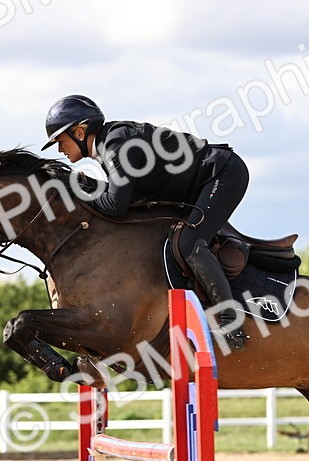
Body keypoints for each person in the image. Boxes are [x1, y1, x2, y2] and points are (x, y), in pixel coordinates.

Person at [41, 95, 249, 351]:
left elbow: (116, 206)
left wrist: (78, 190)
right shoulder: (108, 145)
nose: (60, 150)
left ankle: (232, 323)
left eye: (60, 141)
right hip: (193, 188)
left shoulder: (115, 143)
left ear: (80, 132)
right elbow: (123, 199)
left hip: (222, 174)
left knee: (188, 241)